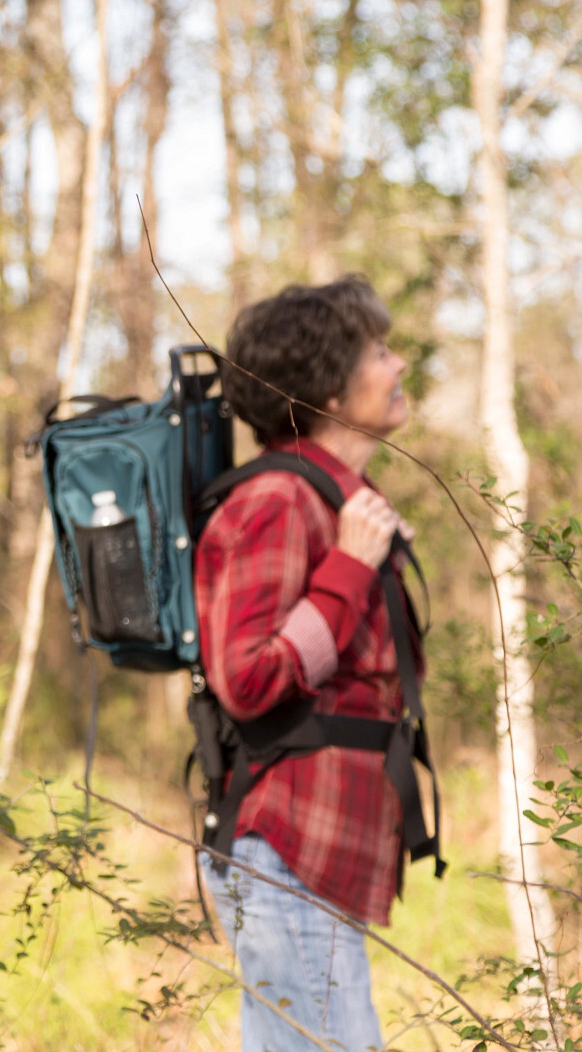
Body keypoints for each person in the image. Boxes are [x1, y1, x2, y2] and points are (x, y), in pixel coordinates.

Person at [194, 276, 425, 1052]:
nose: (399, 365)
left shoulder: (335, 499)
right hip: (284, 849)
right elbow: (247, 677)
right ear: (329, 382)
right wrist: (351, 569)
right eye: (380, 351)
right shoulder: (277, 502)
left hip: (317, 854)